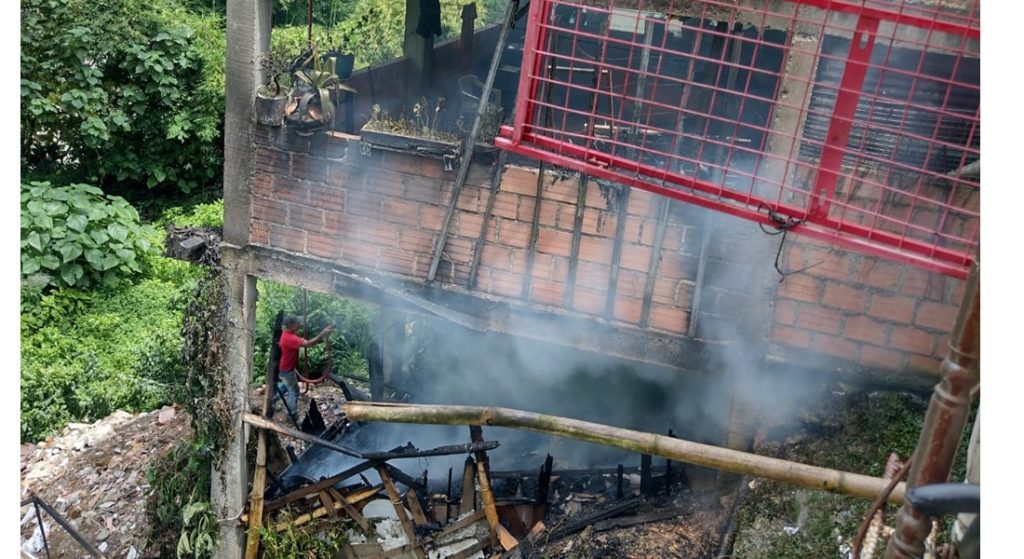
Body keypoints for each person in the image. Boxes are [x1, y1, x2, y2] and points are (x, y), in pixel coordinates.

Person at [278, 315, 333, 415]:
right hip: (287, 370)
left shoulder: (287, 332)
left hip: (286, 368)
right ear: (291, 325)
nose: (298, 323)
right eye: (296, 322)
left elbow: (298, 329)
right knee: (294, 391)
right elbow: (309, 344)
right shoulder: (290, 338)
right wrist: (322, 333)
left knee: (286, 385)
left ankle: (273, 398)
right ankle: (291, 415)